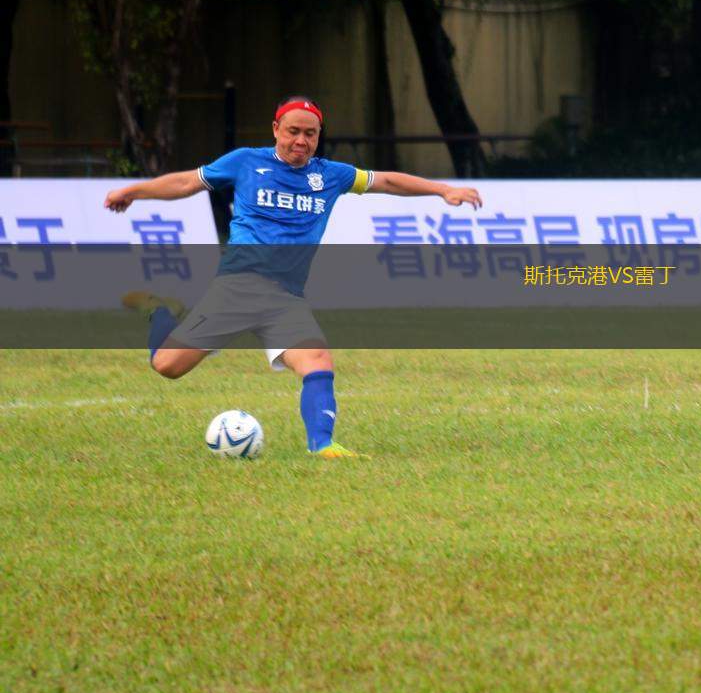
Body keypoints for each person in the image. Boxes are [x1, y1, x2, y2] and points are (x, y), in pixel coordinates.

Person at [104, 95, 482, 458]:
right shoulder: (245, 162)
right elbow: (186, 183)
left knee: (317, 360)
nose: (301, 140)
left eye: (311, 134)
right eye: (293, 131)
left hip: (285, 297)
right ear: (276, 129)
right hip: (237, 287)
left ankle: (323, 446)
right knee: (167, 367)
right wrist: (134, 191)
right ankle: (160, 311)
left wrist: (443, 190)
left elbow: (387, 182)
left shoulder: (331, 175)